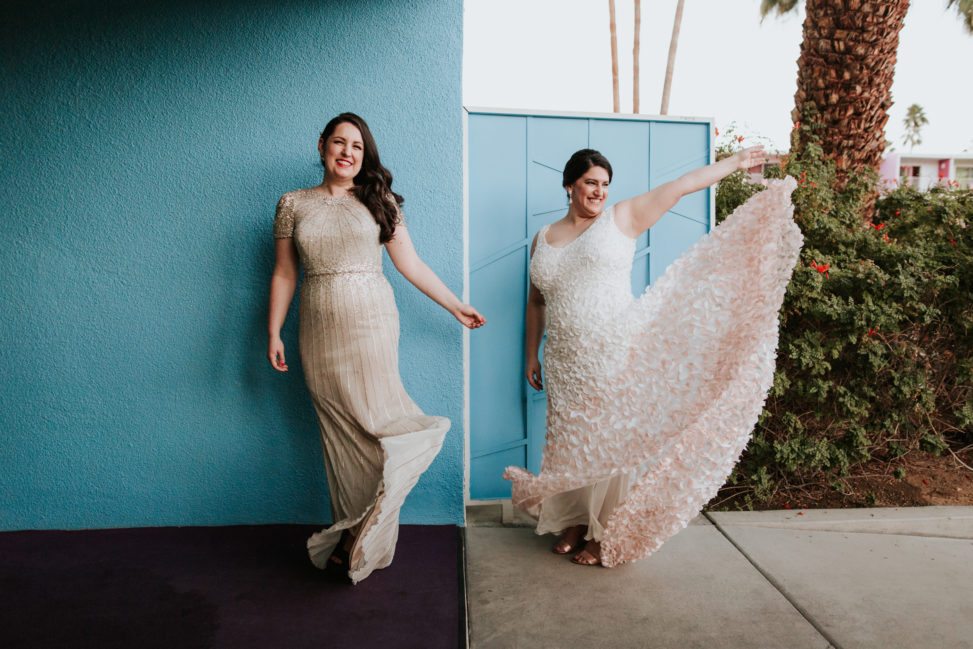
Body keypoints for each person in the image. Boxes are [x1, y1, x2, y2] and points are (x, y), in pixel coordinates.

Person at [506, 147, 802, 567]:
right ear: (569, 184)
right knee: (568, 442)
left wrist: (735, 164)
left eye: (605, 185)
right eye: (591, 182)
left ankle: (603, 532)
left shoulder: (621, 218)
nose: (599, 192)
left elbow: (679, 187)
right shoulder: (544, 237)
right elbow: (536, 302)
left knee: (607, 440)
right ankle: (574, 521)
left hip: (610, 349)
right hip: (562, 359)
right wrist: (530, 356)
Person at [267, 112, 484, 583]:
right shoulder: (292, 203)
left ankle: (357, 537)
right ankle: (353, 532)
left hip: (371, 320)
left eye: (357, 147)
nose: (347, 152)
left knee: (374, 423)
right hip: (317, 324)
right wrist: (274, 331)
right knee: (339, 432)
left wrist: (454, 305)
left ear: (365, 156)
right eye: (339, 142)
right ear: (322, 144)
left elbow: (409, 262)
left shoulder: (377, 199)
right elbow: (285, 272)